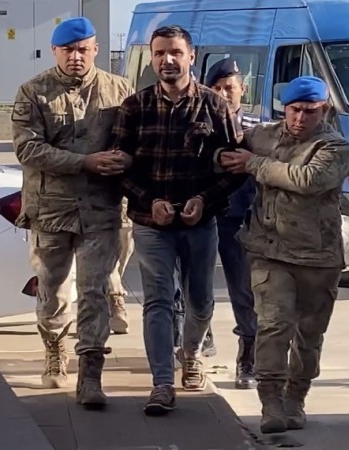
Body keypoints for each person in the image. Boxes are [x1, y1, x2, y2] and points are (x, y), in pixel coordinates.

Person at [111, 24, 244, 416]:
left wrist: (204, 200)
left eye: (175, 52)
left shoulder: (214, 106)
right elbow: (118, 169)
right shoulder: (134, 108)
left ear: (191, 56)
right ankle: (162, 383)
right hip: (151, 225)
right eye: (159, 53)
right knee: (158, 301)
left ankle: (192, 354)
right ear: (151, 59)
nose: (167, 60)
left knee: (200, 301)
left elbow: (237, 168)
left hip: (200, 224)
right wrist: (148, 201)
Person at [219, 76, 349, 433]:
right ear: (285, 108)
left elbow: (308, 180)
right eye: (294, 110)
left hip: (318, 258)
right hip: (270, 252)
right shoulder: (264, 136)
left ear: (323, 110)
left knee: (308, 336)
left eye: (310, 112)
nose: (300, 118)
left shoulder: (335, 147)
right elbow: (230, 144)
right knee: (273, 326)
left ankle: (296, 399)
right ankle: (271, 403)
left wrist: (254, 164)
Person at [10, 16, 134, 410]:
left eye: (83, 49)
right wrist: (85, 162)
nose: (76, 56)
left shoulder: (120, 90)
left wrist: (124, 160)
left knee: (94, 293)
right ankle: (54, 347)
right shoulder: (33, 92)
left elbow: (134, 140)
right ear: (54, 51)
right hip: (51, 210)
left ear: (96, 50)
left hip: (102, 209)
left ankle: (91, 374)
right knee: (54, 291)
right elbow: (28, 148)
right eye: (68, 50)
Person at [204, 57, 258, 389]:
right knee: (195, 286)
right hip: (203, 217)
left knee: (244, 291)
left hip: (239, 220)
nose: (224, 94)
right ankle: (199, 340)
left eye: (230, 88)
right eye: (217, 88)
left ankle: (248, 356)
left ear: (243, 89)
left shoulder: (257, 130)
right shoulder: (198, 125)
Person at [106, 197, 132, 335]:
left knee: (123, 254)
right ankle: (116, 302)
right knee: (108, 258)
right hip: (94, 202)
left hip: (126, 203)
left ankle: (111, 299)